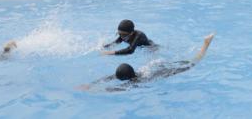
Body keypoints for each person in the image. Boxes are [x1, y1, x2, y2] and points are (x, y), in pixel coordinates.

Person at [79, 34, 214, 91]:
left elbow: (114, 89)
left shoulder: (136, 82)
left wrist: (93, 89)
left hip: (162, 73)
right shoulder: (134, 73)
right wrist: (90, 85)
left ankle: (205, 45)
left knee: (191, 65)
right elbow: (111, 77)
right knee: (187, 63)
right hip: (157, 67)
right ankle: (204, 45)